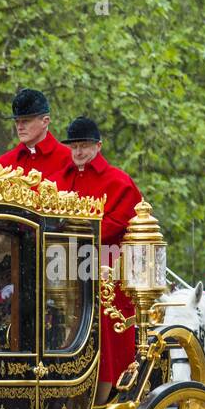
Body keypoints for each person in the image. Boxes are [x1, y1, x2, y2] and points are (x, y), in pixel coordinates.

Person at [53, 116, 142, 392]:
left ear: (98, 146)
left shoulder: (118, 181)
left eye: (84, 146)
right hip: (61, 263)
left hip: (105, 264)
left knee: (102, 312)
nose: (78, 152)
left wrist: (76, 232)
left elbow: (119, 223)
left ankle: (106, 384)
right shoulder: (57, 180)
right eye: (74, 146)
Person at [0, 88, 73, 186]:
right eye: (17, 121)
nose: (19, 127)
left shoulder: (68, 159)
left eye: (26, 121)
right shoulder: (5, 162)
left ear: (45, 121)